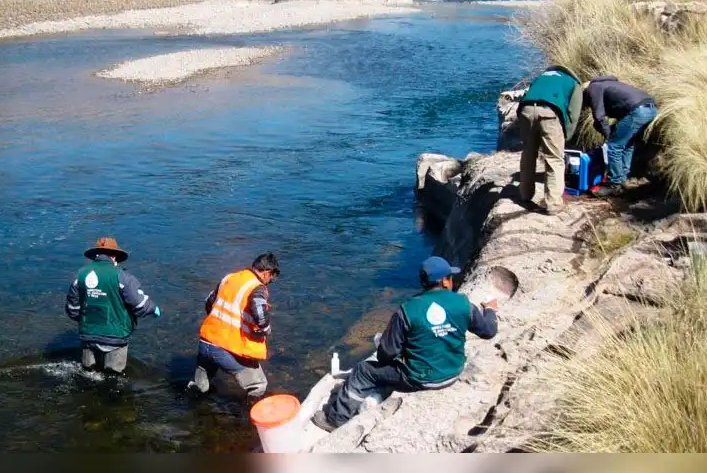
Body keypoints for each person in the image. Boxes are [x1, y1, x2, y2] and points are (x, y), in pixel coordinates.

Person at [311, 256, 498, 432]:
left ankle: (335, 419)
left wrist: (390, 347)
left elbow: (386, 354)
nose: (451, 281)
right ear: (445, 281)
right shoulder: (464, 304)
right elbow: (489, 331)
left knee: (363, 371)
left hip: (420, 379)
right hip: (453, 372)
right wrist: (489, 310)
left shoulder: (408, 310)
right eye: (450, 277)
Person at [187, 252, 280, 403]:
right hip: (225, 349)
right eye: (272, 277)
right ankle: (249, 423)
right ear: (266, 273)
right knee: (259, 385)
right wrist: (266, 329)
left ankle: (192, 412)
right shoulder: (257, 288)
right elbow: (260, 313)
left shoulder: (229, 278)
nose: (270, 281)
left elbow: (209, 301)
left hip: (205, 343)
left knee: (200, 386)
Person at [65, 237, 160, 374]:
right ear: (114, 256)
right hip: (115, 338)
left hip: (88, 336)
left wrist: (86, 320)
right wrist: (153, 308)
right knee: (113, 378)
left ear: (96, 256)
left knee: (88, 374)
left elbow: (72, 309)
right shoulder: (124, 277)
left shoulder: (80, 275)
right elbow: (140, 305)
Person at [516, 65, 583, 215]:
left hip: (526, 110)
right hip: (550, 112)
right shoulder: (573, 83)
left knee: (528, 153)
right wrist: (567, 136)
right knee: (554, 158)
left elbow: (528, 95)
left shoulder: (541, 77)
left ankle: (525, 195)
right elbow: (574, 114)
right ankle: (553, 204)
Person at [583, 76, 659, 198]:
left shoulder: (593, 87)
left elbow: (599, 116)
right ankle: (624, 178)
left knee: (614, 146)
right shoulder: (611, 84)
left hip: (637, 111)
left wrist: (608, 136)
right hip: (651, 109)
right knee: (627, 144)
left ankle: (614, 184)